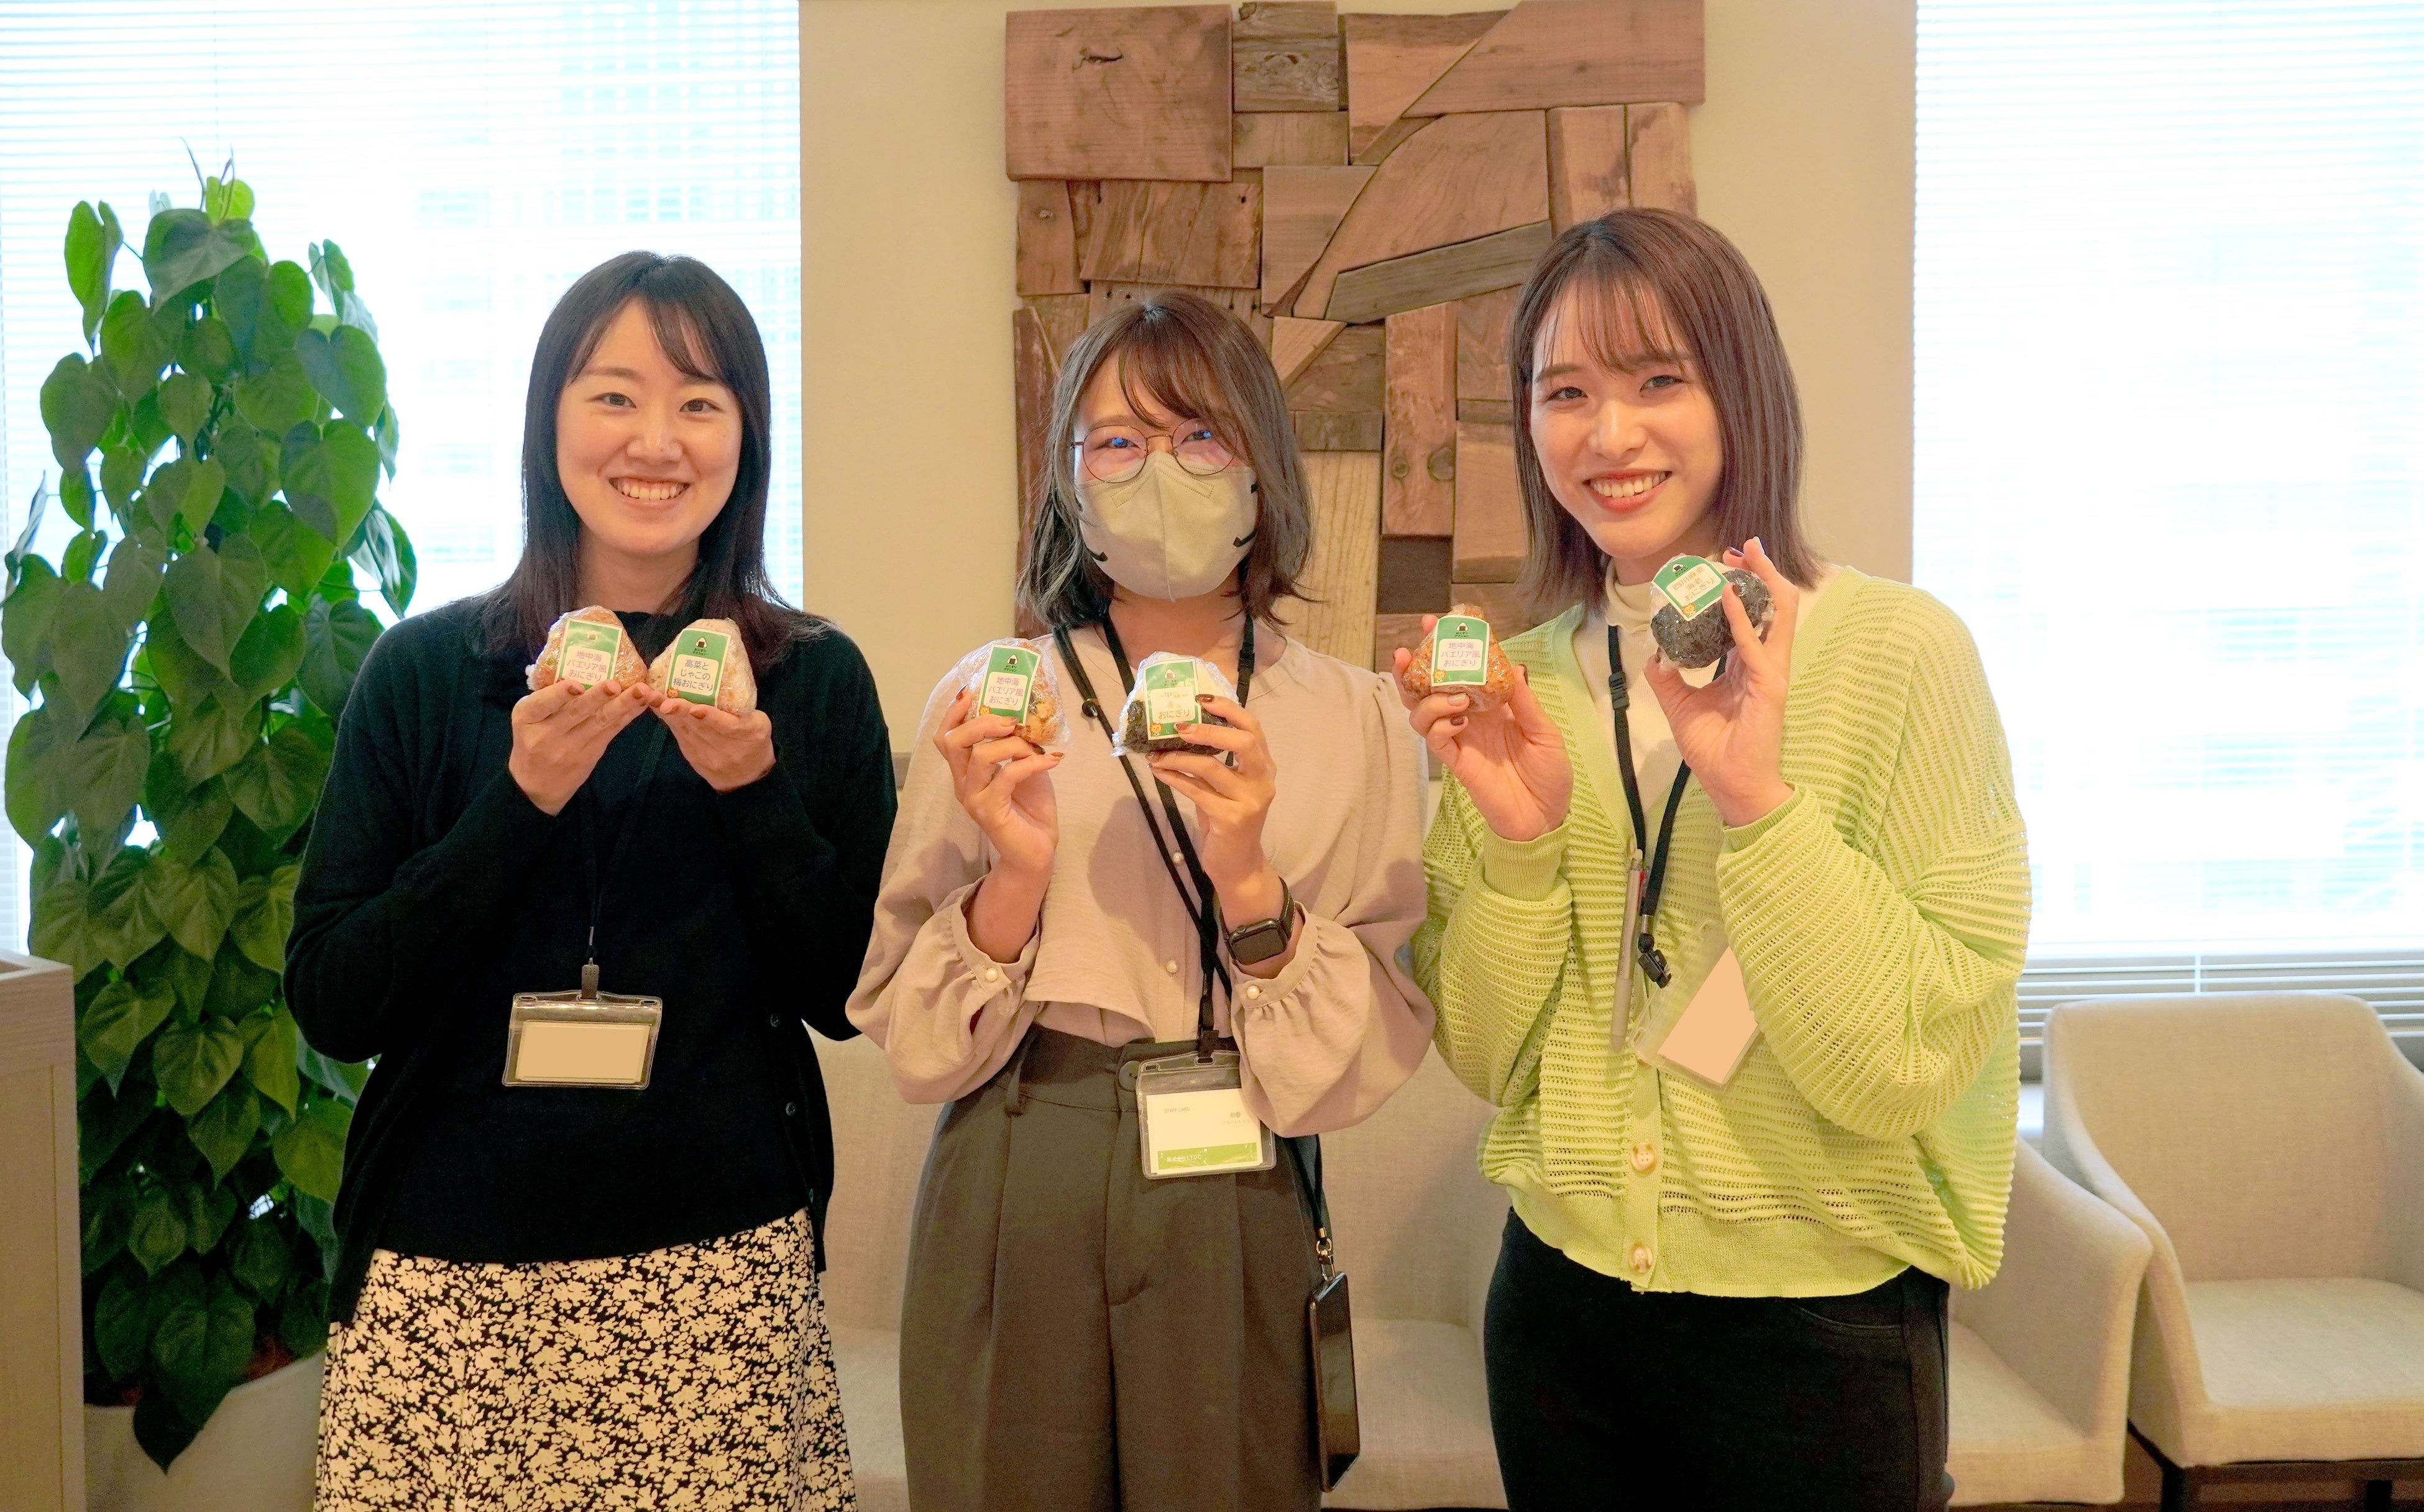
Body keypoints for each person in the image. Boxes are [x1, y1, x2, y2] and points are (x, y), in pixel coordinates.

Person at [1401, 210, 2027, 1511]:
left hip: (1820, 1333)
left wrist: (1758, 802)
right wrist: (1521, 852)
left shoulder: (1901, 655)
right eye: (1565, 392)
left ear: (1742, 390)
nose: (1609, 434)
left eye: (1657, 379)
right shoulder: (1520, 688)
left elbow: (1904, 1061)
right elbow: (1486, 1056)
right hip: (1561, 1317)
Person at [288, 251, 891, 1510]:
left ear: (745, 437)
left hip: (721, 1277)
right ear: (549, 419)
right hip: (447, 1281)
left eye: (699, 401)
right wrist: (520, 800)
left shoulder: (813, 680)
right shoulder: (427, 671)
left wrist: (753, 789)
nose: (654, 441)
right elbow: (337, 998)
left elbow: (852, 994)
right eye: (613, 394)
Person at [848, 290, 1433, 1512]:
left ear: (1264, 465)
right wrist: (1015, 879)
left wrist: (1251, 879)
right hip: (1023, 1147)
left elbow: (1368, 1041)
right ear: (1068, 479)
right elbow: (910, 1036)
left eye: (1199, 435)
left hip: (1240, 1156)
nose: (1158, 470)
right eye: (1115, 441)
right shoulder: (991, 697)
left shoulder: (1357, 718)